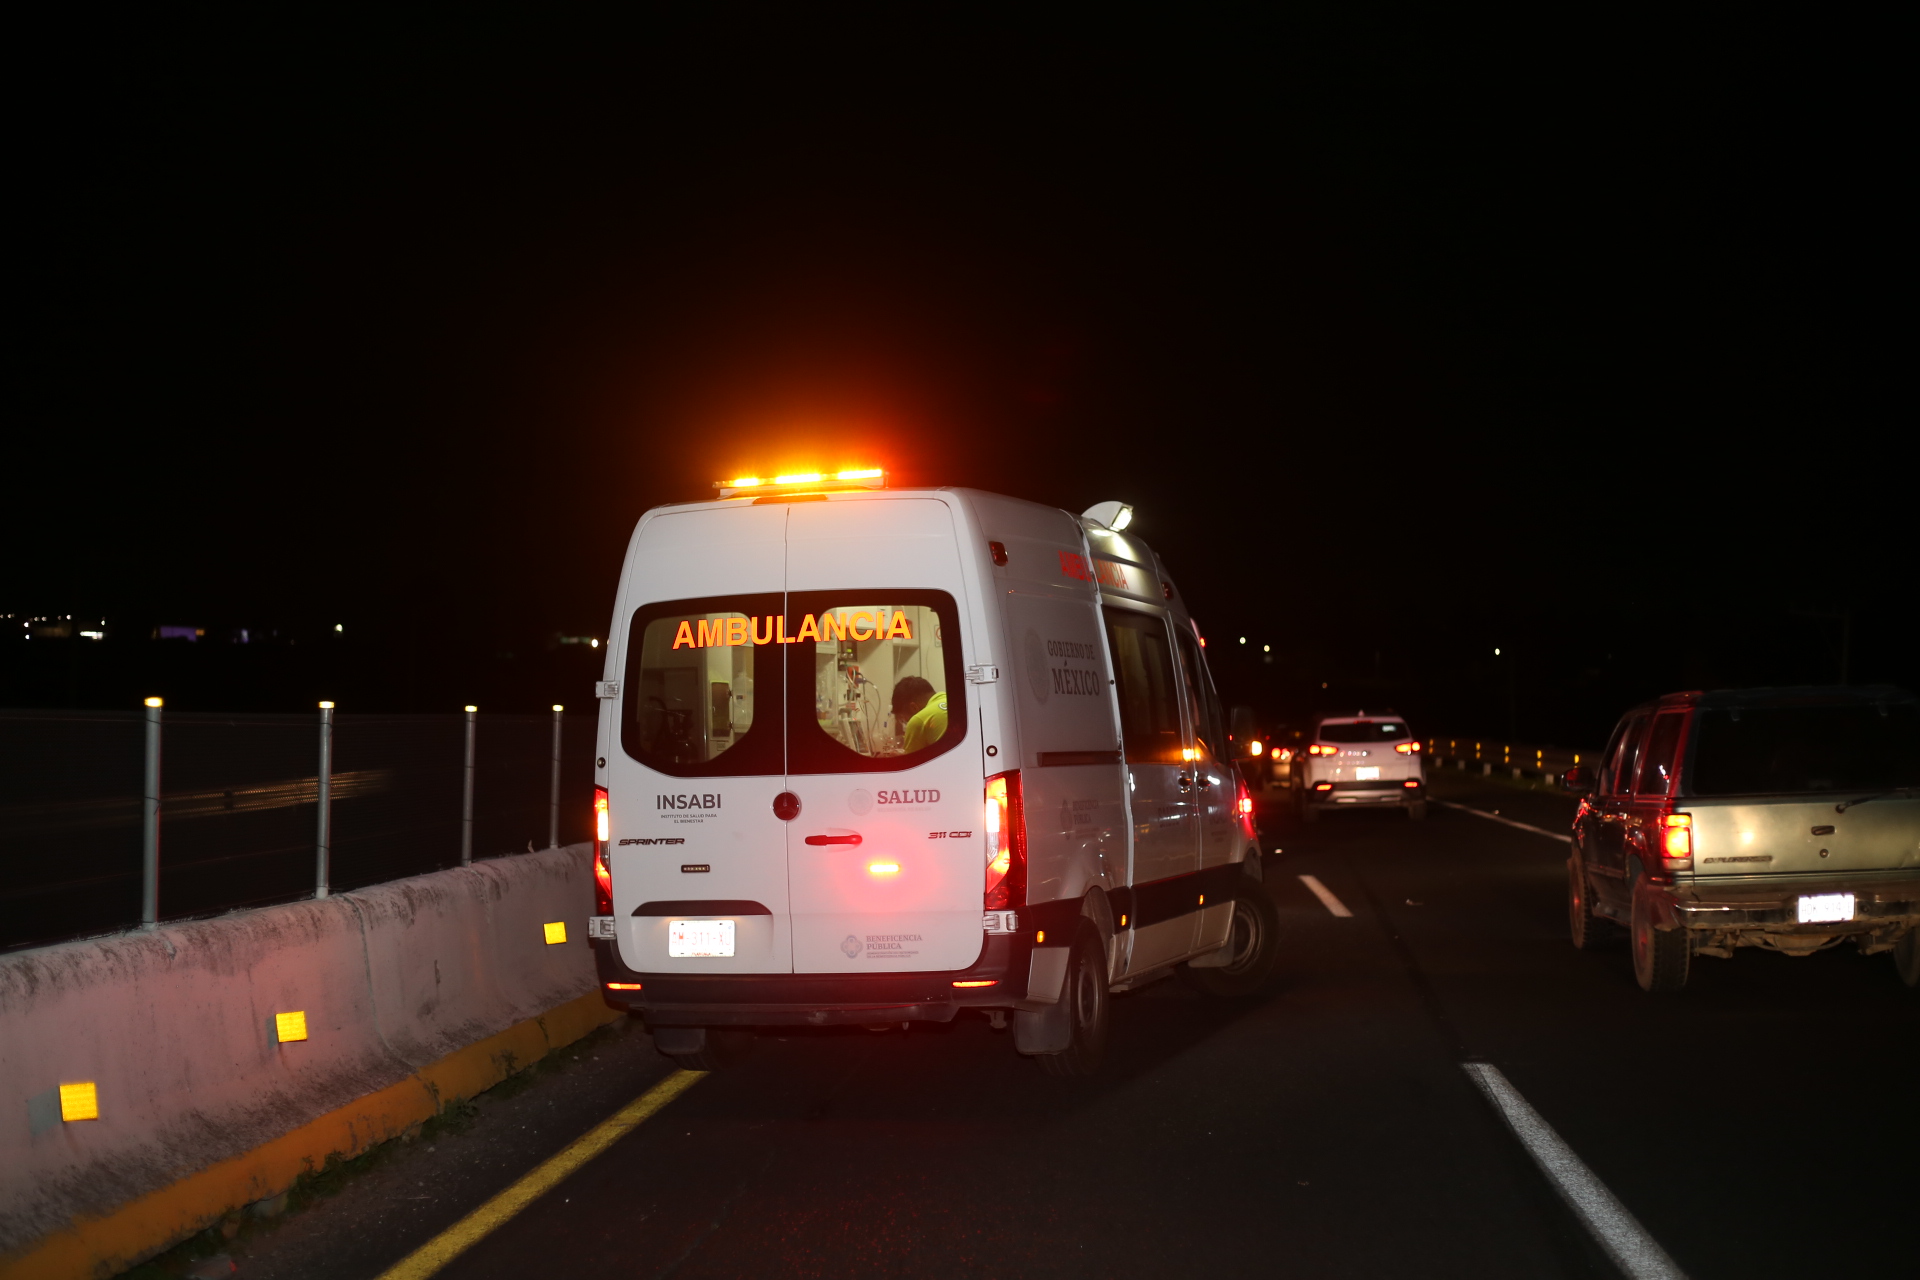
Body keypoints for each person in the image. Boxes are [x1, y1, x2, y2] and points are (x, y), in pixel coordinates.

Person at [891, 676, 947, 752]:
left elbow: (911, 759)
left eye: (904, 719)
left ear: (914, 707)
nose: (906, 723)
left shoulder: (918, 720)